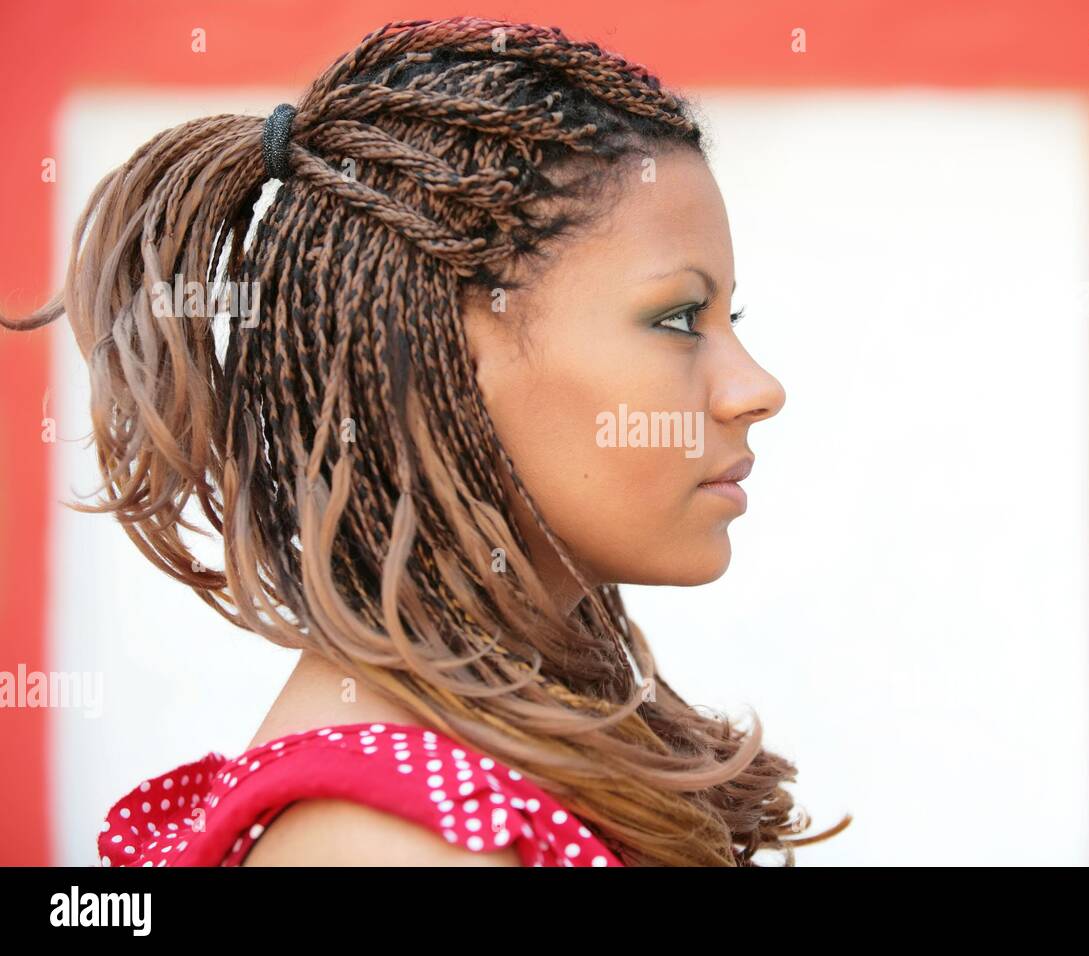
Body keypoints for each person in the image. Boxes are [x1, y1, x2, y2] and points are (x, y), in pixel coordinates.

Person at [3, 15, 850, 866]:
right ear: (445, 347)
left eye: (727, 316)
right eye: (676, 318)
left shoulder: (463, 790)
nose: (756, 390)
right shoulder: (385, 841)